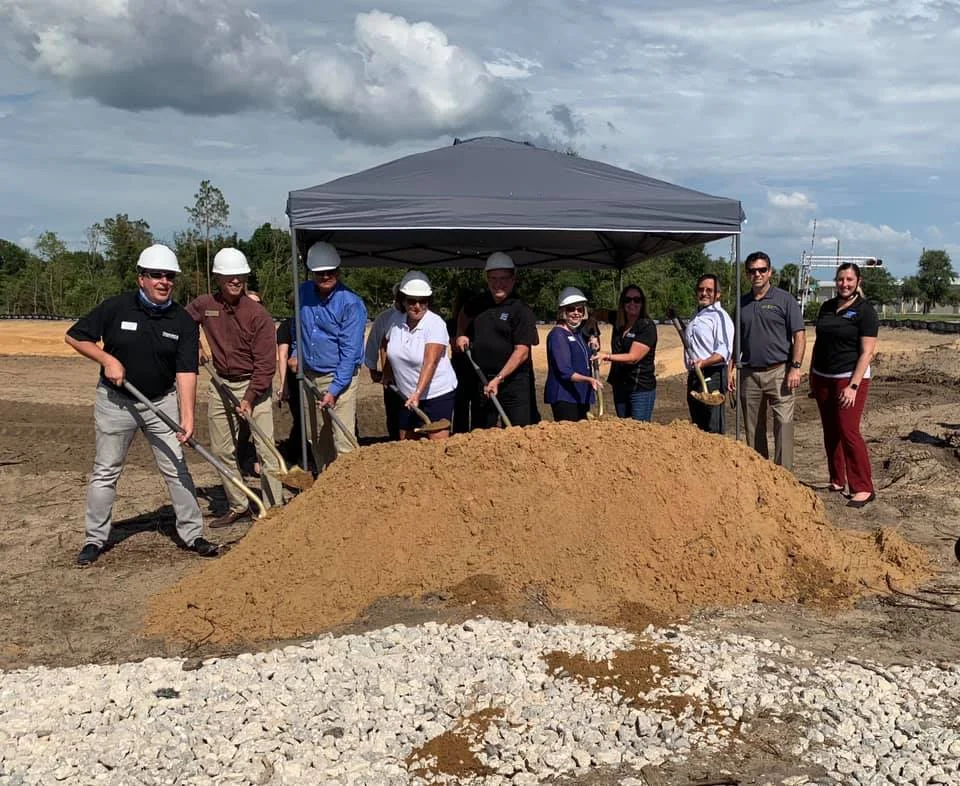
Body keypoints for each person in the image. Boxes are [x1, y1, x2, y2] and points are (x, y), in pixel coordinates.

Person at [65, 244, 219, 566]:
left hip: (160, 403)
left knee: (177, 469)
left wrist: (188, 418)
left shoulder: (182, 322)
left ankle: (193, 535)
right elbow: (75, 336)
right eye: (156, 275)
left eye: (169, 276)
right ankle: (95, 539)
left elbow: (186, 373)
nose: (164, 281)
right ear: (141, 278)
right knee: (106, 470)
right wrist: (107, 359)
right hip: (115, 403)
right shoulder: (116, 308)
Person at [185, 248, 282, 527]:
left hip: (255, 386)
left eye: (239, 276)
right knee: (222, 451)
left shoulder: (258, 315)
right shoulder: (206, 305)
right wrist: (194, 345)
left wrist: (250, 397)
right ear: (218, 277)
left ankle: (275, 510)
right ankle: (238, 504)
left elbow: (266, 365)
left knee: (266, 451)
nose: (235, 280)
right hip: (220, 383)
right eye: (229, 276)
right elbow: (182, 323)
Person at [809, 263, 879, 507]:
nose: (844, 284)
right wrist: (812, 375)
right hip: (822, 377)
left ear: (858, 281)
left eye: (849, 279)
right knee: (831, 431)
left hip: (849, 378)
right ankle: (837, 479)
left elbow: (867, 353)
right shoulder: (827, 307)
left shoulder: (865, 311)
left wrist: (853, 386)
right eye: (840, 279)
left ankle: (863, 487)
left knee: (848, 431)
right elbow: (819, 343)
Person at [297, 242, 367, 470]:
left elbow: (350, 353)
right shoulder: (302, 293)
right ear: (312, 273)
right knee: (317, 437)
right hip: (310, 374)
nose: (325, 276)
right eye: (320, 273)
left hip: (340, 377)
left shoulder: (351, 304)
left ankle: (351, 491)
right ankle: (324, 488)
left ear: (338, 271)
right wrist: (296, 352)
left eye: (330, 272)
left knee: (343, 439)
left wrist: (334, 390)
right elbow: (299, 329)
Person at [733, 251, 805, 469]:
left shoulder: (785, 300)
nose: (757, 274)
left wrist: (795, 367)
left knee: (783, 425)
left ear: (770, 272)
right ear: (747, 274)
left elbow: (799, 335)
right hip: (749, 374)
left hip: (779, 372)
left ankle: (784, 477)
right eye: (753, 271)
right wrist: (730, 369)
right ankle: (760, 473)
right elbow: (736, 339)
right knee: (753, 429)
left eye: (762, 270)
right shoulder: (741, 303)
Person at [455, 252, 540, 428]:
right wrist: (461, 333)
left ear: (512, 280)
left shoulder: (521, 310)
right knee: (482, 431)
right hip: (483, 379)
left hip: (513, 383)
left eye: (503, 278)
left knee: (519, 431)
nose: (498, 284)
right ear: (487, 279)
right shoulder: (479, 303)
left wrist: (499, 378)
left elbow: (522, 352)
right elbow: (464, 314)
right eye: (494, 278)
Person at [382, 272, 457, 440]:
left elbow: (431, 362)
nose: (417, 306)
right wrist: (387, 372)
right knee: (407, 446)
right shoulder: (395, 320)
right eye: (412, 301)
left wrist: (418, 393)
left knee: (436, 447)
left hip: (436, 395)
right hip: (406, 394)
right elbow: (386, 344)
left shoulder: (435, 323)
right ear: (403, 300)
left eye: (423, 301)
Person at [595, 285, 658, 422]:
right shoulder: (618, 320)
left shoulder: (646, 326)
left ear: (642, 303)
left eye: (637, 300)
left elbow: (633, 357)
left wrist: (606, 356)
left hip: (640, 388)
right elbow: (597, 313)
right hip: (620, 386)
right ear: (622, 303)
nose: (632, 303)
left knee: (638, 431)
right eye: (627, 300)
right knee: (623, 428)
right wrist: (592, 327)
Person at [683, 274, 735, 434]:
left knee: (713, 427)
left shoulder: (721, 317)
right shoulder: (696, 315)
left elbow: (724, 350)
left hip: (712, 376)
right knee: (698, 426)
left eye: (709, 290)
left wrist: (704, 363)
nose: (704, 293)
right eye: (701, 289)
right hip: (695, 375)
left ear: (718, 294)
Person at [544, 287, 601, 421]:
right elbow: (564, 371)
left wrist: (593, 346)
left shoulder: (577, 334)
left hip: (580, 394)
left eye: (580, 309)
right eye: (571, 309)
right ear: (563, 311)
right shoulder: (558, 335)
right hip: (565, 396)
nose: (576, 313)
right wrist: (589, 380)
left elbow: (583, 357)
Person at [364, 284, 405, 441]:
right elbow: (375, 342)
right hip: (392, 376)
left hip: (414, 376)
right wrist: (373, 368)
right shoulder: (385, 318)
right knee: (394, 414)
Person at [275, 315, 304, 464]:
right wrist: (283, 384)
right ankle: (293, 455)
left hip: (313, 373)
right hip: (294, 378)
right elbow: (283, 355)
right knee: (301, 418)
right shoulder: (287, 326)